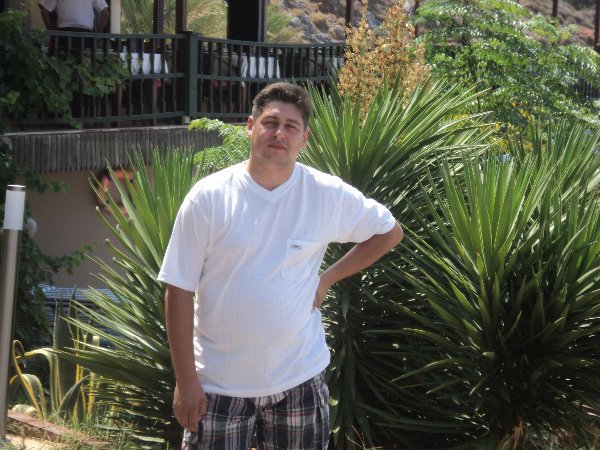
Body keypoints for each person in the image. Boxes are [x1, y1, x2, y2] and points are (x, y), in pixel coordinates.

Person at [158, 82, 404, 450]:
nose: (279, 133)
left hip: (299, 381)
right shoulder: (209, 198)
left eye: (291, 126)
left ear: (304, 138)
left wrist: (328, 278)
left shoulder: (325, 194)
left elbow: (390, 232)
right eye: (270, 123)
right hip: (218, 386)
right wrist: (186, 380)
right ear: (250, 126)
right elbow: (178, 288)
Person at [39, 0, 109, 52]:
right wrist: (97, 35)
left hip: (62, 35)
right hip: (85, 36)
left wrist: (51, 31)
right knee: (83, 65)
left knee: (58, 64)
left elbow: (44, 10)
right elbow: (105, 14)